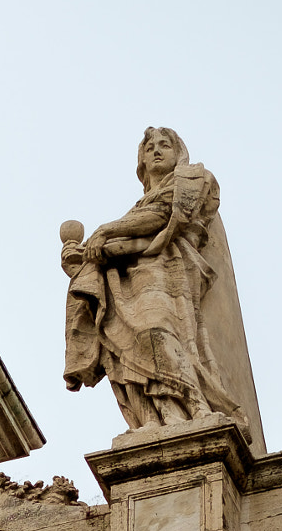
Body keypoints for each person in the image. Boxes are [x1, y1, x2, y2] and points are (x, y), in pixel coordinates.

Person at [61, 128, 258, 438]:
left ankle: (196, 407)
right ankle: (157, 416)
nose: (156, 150)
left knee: (158, 332)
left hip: (171, 274)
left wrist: (105, 232)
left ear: (178, 152)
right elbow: (130, 245)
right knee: (128, 344)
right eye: (149, 147)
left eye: (165, 145)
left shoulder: (192, 180)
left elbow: (163, 217)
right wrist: (86, 256)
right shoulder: (134, 210)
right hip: (132, 282)